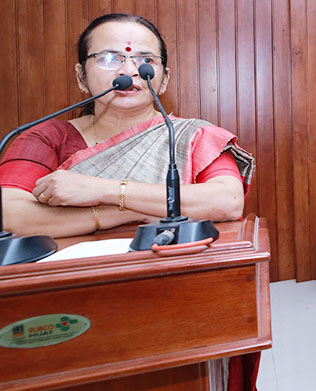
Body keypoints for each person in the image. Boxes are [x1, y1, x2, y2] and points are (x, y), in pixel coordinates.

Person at [0, 13, 254, 238]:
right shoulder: (47, 138)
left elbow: (227, 201)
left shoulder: (195, 136)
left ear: (164, 79)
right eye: (110, 59)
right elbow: (10, 214)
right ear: (81, 76)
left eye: (146, 60)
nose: (130, 70)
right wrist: (123, 212)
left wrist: (103, 190)